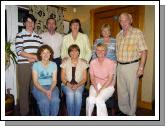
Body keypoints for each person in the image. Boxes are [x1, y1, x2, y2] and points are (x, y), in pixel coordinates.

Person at [116, 12, 148, 116]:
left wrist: (141, 67)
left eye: (126, 20)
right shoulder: (118, 35)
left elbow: (144, 51)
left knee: (132, 92)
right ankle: (124, 111)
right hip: (119, 66)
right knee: (121, 93)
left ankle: (131, 114)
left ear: (131, 20)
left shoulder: (137, 32)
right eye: (121, 20)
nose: (123, 22)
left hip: (132, 66)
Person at [15, 14, 43, 116]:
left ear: (34, 24)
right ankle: (24, 114)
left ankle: (36, 111)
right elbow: (19, 51)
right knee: (23, 89)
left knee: (35, 88)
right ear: (24, 23)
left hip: (36, 67)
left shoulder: (38, 37)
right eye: (28, 21)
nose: (30, 23)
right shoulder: (20, 35)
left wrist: (36, 58)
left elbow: (41, 52)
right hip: (24, 66)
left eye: (32, 22)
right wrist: (33, 57)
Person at [86, 43, 116, 116]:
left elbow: (110, 79)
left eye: (103, 50)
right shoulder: (92, 62)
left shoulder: (111, 63)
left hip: (108, 86)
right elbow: (92, 78)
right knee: (90, 100)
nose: (100, 52)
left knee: (99, 99)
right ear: (95, 51)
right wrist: (96, 89)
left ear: (106, 52)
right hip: (95, 85)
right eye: (98, 50)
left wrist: (101, 89)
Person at [32, 45, 60, 116]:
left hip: (52, 86)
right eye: (43, 53)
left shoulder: (54, 64)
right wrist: (45, 91)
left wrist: (50, 90)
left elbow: (54, 81)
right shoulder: (36, 65)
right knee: (44, 101)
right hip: (39, 87)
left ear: (50, 54)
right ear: (40, 54)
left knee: (55, 100)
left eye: (47, 52)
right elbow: (35, 82)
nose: (46, 54)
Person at [61, 44, 88, 116]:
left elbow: (85, 78)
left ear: (79, 52)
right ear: (69, 53)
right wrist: (69, 85)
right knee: (70, 94)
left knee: (78, 94)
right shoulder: (65, 62)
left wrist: (77, 85)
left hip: (79, 84)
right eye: (71, 51)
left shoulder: (83, 63)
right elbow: (62, 78)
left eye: (76, 51)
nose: (74, 53)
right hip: (66, 84)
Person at [40, 18, 63, 91]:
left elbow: (63, 49)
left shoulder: (60, 36)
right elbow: (39, 50)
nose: (51, 25)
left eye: (53, 23)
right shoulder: (41, 36)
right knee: (47, 80)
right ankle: (47, 96)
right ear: (46, 25)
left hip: (57, 60)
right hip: (46, 61)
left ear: (55, 25)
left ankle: (58, 98)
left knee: (58, 80)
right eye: (49, 23)